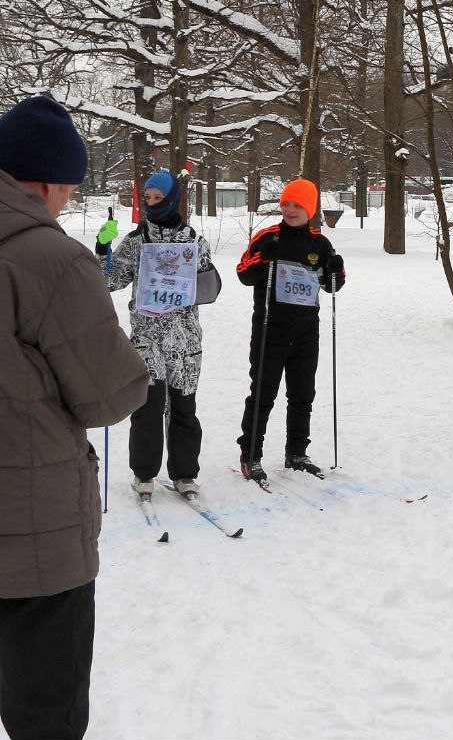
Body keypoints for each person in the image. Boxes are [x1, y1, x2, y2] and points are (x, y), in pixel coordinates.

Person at [0, 96, 148, 740]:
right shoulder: (50, 258)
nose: (64, 204)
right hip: (30, 536)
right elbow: (110, 395)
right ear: (46, 182)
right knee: (46, 718)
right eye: (68, 190)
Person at [96, 170, 214, 500]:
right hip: (147, 338)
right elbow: (108, 280)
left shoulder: (194, 241)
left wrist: (192, 279)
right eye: (147, 198)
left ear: (172, 199)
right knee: (148, 406)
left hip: (185, 340)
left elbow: (209, 288)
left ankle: (185, 473)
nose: (151, 204)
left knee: (184, 407)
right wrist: (103, 247)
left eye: (157, 198)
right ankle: (144, 473)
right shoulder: (137, 241)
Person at [235, 179, 345, 483]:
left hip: (306, 332)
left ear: (310, 209)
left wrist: (335, 270)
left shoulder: (320, 244)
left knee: (302, 395)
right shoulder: (268, 237)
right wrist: (264, 257)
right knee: (263, 393)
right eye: (287, 204)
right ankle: (251, 454)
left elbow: (332, 285)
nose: (291, 210)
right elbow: (244, 273)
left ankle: (296, 452)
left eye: (298, 205)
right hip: (271, 330)